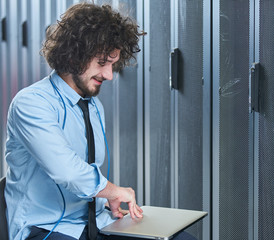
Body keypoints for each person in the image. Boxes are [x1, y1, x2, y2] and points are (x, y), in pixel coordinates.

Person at [4, 3, 195, 240]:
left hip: (96, 222)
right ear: (74, 56)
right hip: (48, 227)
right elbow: (68, 172)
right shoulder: (31, 103)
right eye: (102, 63)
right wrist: (113, 191)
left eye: (112, 64)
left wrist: (105, 200)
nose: (109, 75)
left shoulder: (93, 105)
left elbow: (87, 171)